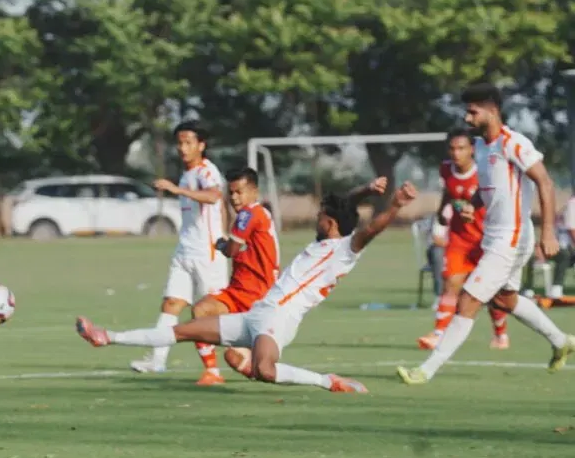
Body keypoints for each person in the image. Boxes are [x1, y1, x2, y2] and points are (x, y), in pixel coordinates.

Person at [75, 177, 413, 395]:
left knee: (265, 370)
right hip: (256, 313)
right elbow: (342, 207)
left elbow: (369, 231)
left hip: (279, 320)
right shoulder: (327, 237)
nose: (315, 219)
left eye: (320, 216)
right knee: (185, 330)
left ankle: (329, 381)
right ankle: (107, 338)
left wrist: (395, 204)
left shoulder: (344, 251)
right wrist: (366, 191)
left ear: (330, 222)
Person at [398, 83, 575, 385]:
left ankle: (425, 371)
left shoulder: (514, 143)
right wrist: (473, 204)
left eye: (473, 111)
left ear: (492, 109)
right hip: (493, 235)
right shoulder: (481, 147)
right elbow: (488, 187)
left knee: (468, 298)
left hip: (513, 236)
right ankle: (561, 341)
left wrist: (548, 233)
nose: (467, 119)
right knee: (505, 299)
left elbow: (544, 183)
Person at [133, 121, 228, 375]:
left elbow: (213, 196)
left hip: (206, 254)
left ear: (201, 145)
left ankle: (216, 369)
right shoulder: (187, 174)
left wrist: (175, 189)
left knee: (209, 313)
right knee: (171, 304)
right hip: (185, 251)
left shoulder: (206, 171)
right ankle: (157, 360)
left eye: (188, 143)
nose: (183, 148)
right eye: (180, 143)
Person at [180, 167, 280, 386]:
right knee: (201, 310)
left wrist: (221, 243)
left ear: (254, 191)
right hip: (237, 291)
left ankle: (254, 364)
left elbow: (231, 251)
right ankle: (213, 372)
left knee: (239, 356)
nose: (234, 198)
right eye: (231, 192)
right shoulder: (257, 214)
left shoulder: (250, 213)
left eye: (239, 192)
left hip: (258, 296)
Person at [417, 129, 509, 350]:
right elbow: (449, 192)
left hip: (484, 240)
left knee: (493, 292)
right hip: (458, 239)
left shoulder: (484, 174)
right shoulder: (446, 169)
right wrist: (442, 210)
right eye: (452, 148)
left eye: (461, 148)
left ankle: (500, 334)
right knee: (452, 284)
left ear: (472, 150)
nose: (456, 153)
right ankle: (438, 333)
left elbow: (499, 204)